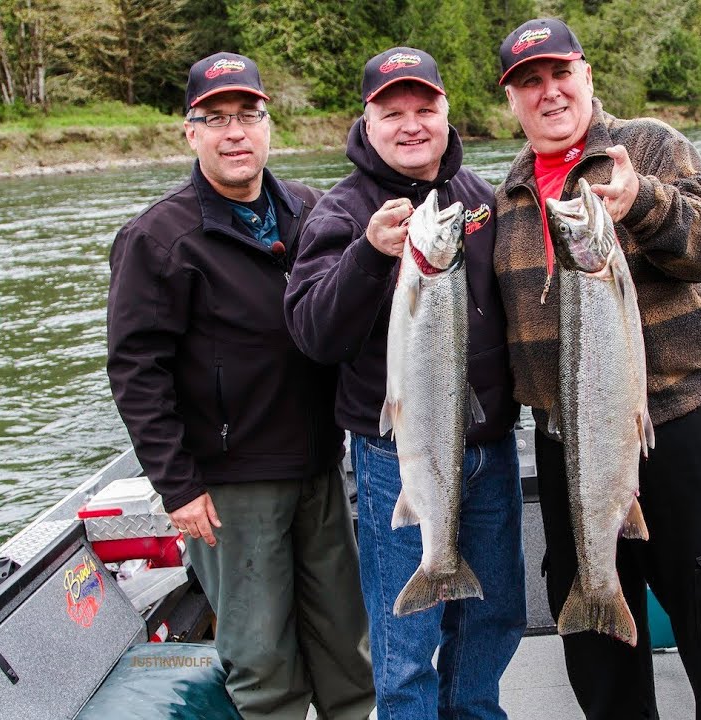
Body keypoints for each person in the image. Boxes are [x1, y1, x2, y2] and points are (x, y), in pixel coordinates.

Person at [492, 18, 701, 720]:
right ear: (512, 100)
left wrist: (643, 201)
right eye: (529, 82)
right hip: (565, 440)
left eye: (560, 73)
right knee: (595, 640)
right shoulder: (507, 195)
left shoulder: (648, 146)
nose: (549, 92)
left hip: (676, 425)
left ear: (586, 75)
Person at [105, 51, 375, 720]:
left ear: (268, 125)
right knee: (262, 664)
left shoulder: (310, 210)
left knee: (349, 651)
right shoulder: (157, 239)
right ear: (190, 132)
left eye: (248, 115)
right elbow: (136, 371)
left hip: (320, 467)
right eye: (216, 118)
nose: (235, 133)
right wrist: (178, 486)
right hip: (230, 486)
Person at [283, 47, 526, 719]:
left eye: (425, 108)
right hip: (399, 457)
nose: (412, 125)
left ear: (447, 113)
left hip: (491, 450)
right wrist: (368, 254)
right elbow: (313, 334)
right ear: (368, 121)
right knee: (405, 646)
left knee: (493, 619)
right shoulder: (340, 213)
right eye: (393, 113)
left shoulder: (481, 199)